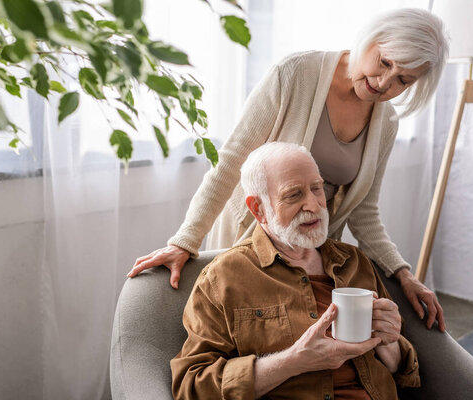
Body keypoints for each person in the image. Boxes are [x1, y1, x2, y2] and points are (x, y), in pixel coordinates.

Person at [129, 8, 448, 331]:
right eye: (385, 62)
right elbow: (230, 162)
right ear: (372, 39)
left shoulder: (387, 123)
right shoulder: (294, 74)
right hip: (247, 242)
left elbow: (364, 212)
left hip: (308, 258)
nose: (384, 83)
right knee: (230, 335)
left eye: (403, 80)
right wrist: (185, 241)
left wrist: (403, 273)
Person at [171, 142, 420, 399]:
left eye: (317, 188)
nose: (313, 205)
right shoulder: (222, 278)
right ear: (258, 209)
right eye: (293, 195)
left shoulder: (354, 262)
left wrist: (390, 342)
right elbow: (192, 386)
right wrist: (293, 361)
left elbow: (403, 371)